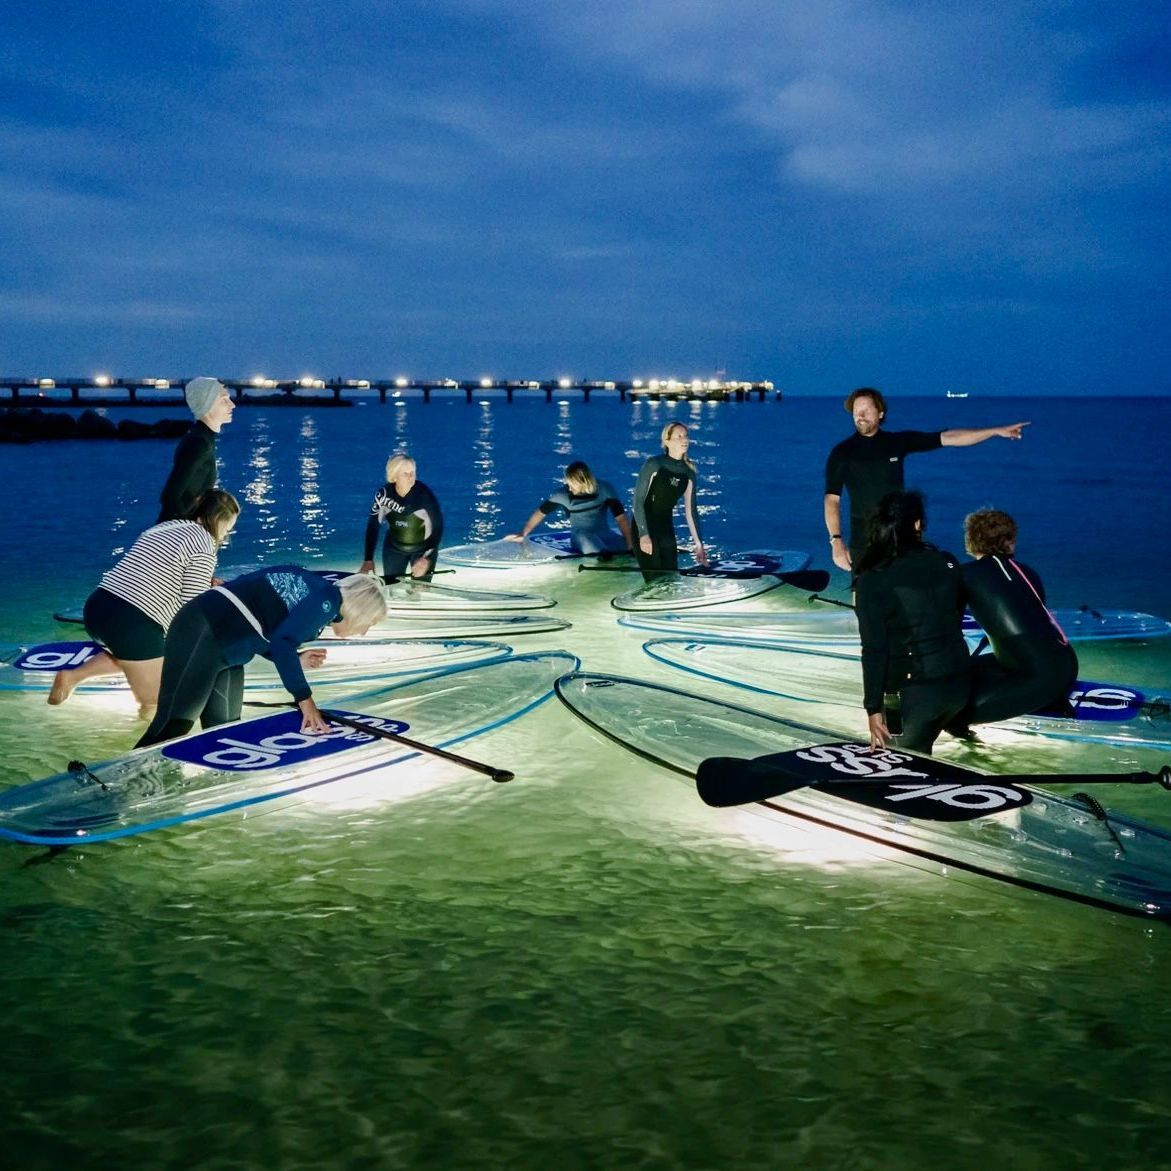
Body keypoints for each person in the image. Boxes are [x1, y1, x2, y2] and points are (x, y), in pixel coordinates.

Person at [135, 569, 388, 748]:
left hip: (225, 644)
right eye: (369, 622)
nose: (364, 631)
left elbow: (266, 626)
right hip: (204, 631)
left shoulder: (321, 593)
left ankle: (213, 785)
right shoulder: (328, 600)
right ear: (360, 610)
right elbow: (282, 641)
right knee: (173, 725)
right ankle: (121, 788)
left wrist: (295, 658)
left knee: (225, 730)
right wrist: (305, 700)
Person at [48, 489, 241, 717]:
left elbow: (155, 570)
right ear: (218, 520)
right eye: (227, 529)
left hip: (98, 606)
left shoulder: (165, 527)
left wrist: (206, 583)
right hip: (133, 621)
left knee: (135, 655)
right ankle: (145, 741)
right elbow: (193, 604)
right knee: (158, 704)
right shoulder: (204, 543)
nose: (226, 535)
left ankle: (72, 677)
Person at [824, 388, 1030, 575]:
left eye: (866, 410)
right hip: (863, 540)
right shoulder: (842, 453)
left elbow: (948, 437)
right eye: (856, 411)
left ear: (880, 413)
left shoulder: (896, 442)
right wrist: (836, 542)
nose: (860, 416)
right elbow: (832, 500)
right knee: (862, 595)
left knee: (905, 593)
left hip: (901, 537)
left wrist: (995, 431)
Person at [855, 490, 972, 754]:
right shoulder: (947, 562)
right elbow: (954, 618)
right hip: (959, 684)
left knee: (899, 767)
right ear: (918, 524)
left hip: (917, 692)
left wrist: (872, 708)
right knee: (924, 762)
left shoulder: (874, 579)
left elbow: (874, 649)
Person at [950, 508, 1078, 734]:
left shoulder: (964, 575)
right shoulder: (1028, 572)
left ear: (970, 539)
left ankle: (971, 748)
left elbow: (948, 627)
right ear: (1009, 540)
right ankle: (1048, 695)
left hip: (1039, 677)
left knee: (945, 711)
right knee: (966, 672)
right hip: (1064, 662)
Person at [505, 460, 633, 555]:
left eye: (571, 484)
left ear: (582, 482)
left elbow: (621, 518)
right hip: (582, 536)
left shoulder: (605, 489)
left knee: (632, 547)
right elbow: (540, 513)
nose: (569, 487)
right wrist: (524, 533)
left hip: (605, 534)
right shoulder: (561, 495)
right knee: (601, 552)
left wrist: (630, 543)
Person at [631, 422, 707, 582]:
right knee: (654, 579)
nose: (684, 439)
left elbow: (691, 511)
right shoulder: (654, 464)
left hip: (666, 527)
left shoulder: (689, 473)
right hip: (644, 525)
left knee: (671, 577)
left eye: (686, 436)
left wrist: (699, 544)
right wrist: (643, 535)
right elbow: (638, 501)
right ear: (667, 441)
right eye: (679, 436)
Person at [157, 377, 236, 523]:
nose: (232, 405)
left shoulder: (203, 438)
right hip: (174, 532)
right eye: (224, 400)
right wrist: (190, 529)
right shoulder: (199, 443)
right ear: (207, 405)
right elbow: (169, 497)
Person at [359, 454, 444, 582]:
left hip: (423, 550)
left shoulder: (424, 495)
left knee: (419, 589)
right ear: (394, 477)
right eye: (405, 473)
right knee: (392, 588)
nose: (411, 477)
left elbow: (438, 527)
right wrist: (368, 559)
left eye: (412, 472)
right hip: (394, 548)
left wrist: (426, 559)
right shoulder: (383, 495)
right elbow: (373, 526)